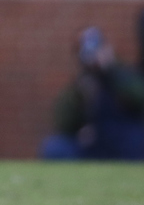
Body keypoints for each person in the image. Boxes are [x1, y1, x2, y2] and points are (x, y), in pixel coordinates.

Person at [41, 27, 144, 160]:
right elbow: (63, 122)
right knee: (55, 147)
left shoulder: (124, 74)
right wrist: (79, 97)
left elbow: (139, 97)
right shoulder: (82, 84)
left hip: (125, 139)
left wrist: (111, 72)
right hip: (95, 141)